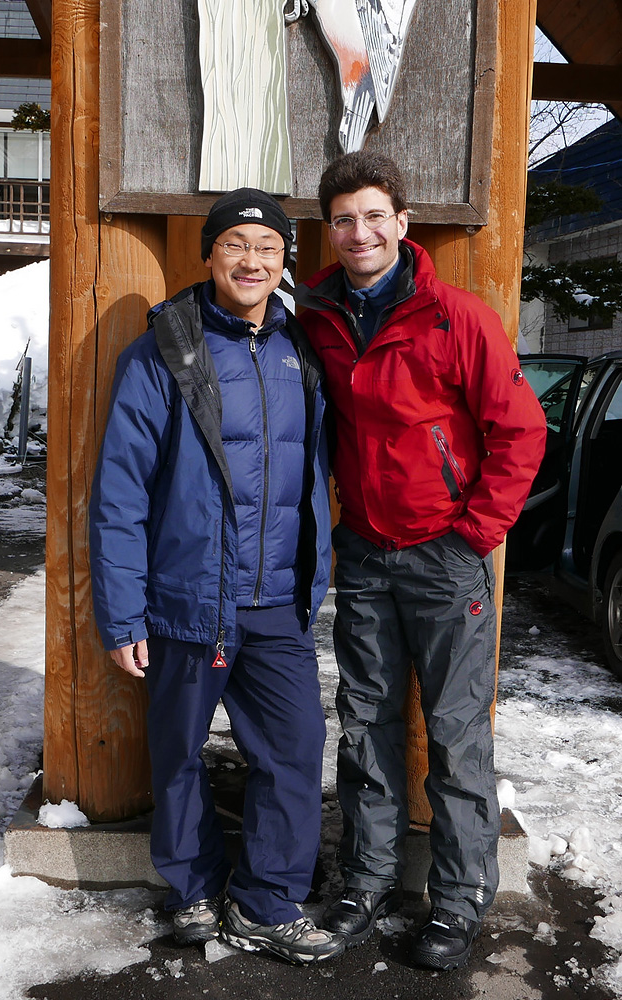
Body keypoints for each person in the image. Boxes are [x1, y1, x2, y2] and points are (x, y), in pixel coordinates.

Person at [294, 151, 547, 971]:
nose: (358, 232)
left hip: (445, 558)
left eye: (373, 216)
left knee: (453, 734)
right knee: (363, 727)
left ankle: (458, 897)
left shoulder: (455, 316)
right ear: (328, 232)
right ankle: (364, 885)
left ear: (401, 224)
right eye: (342, 220)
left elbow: (522, 431)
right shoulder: (319, 317)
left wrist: (474, 532)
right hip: (365, 553)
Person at [89, 188, 344, 966]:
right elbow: (120, 493)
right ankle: (193, 888)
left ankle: (268, 901)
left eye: (267, 249)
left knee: (294, 753)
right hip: (188, 599)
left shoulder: (302, 349)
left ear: (282, 264)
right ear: (209, 254)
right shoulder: (165, 348)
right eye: (235, 244)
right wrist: (122, 613)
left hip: (276, 601)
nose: (251, 260)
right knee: (178, 754)